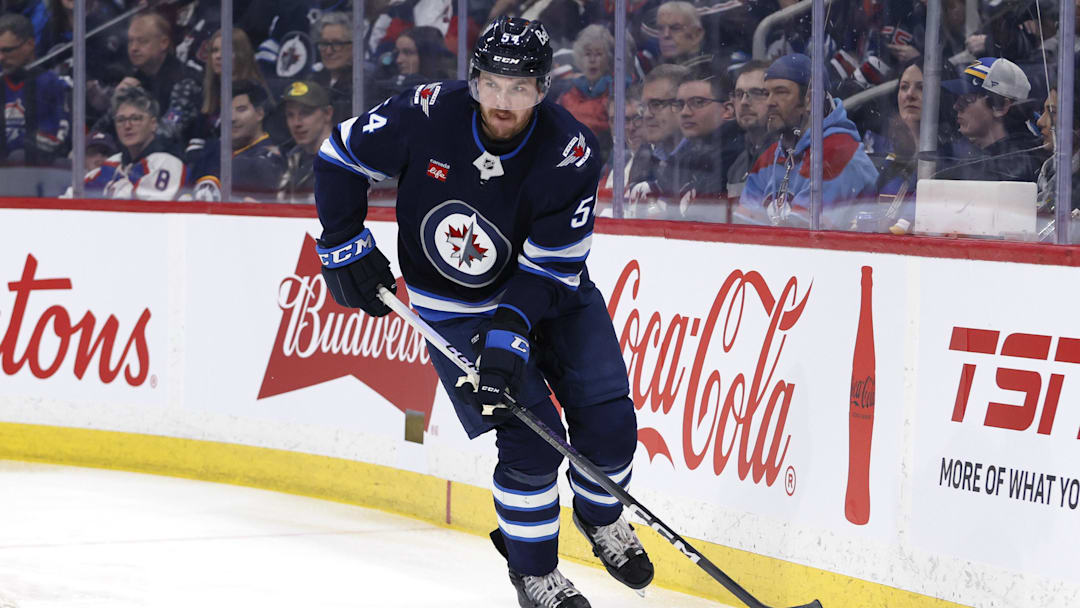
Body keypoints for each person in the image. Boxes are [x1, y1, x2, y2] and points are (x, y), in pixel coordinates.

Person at [312, 17, 653, 608]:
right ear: (473, 80)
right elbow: (338, 155)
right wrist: (344, 243)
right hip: (457, 311)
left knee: (611, 428)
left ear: (544, 90)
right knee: (532, 445)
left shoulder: (571, 153)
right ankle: (534, 574)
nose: (503, 101)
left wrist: (511, 334)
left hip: (554, 297)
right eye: (492, 83)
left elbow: (548, 271)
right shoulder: (424, 113)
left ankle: (600, 518)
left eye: (520, 88)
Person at [737, 53, 879, 229]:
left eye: (780, 92)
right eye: (766, 93)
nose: (769, 102)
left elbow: (804, 237)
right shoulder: (769, 157)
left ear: (811, 100)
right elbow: (743, 228)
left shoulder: (839, 154)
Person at [937, 57, 1046, 183]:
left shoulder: (1021, 161)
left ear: (1000, 107)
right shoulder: (969, 152)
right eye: (958, 98)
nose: (956, 106)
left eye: (967, 99)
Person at [81, 86, 186, 200]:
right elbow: (75, 194)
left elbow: (148, 212)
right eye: (121, 120)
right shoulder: (114, 163)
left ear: (153, 124)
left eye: (136, 119)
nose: (127, 126)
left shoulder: (166, 163)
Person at [190, 81, 285, 201]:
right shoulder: (212, 150)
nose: (232, 118)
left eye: (241, 109)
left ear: (260, 114)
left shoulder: (270, 159)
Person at [119, 11, 202, 145]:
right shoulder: (134, 79)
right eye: (131, 41)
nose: (133, 48)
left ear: (164, 43)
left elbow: (168, 131)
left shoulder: (185, 80)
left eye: (142, 41)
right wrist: (117, 101)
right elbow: (106, 128)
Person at [667, 71, 743, 218]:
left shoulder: (734, 156)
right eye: (680, 104)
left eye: (698, 102)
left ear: (727, 110)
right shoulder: (683, 157)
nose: (685, 112)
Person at [0, 13, 69, 166]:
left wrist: (20, 147)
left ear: (29, 45)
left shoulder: (50, 83)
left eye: (7, 50)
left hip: (37, 172)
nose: (1, 58)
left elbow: (57, 137)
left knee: (18, 156)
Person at [626, 63, 689, 216]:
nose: (647, 115)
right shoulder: (645, 155)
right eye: (644, 107)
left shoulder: (705, 158)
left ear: (681, 104)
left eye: (656, 104)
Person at [556, 25, 615, 144]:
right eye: (588, 54)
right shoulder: (569, 91)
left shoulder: (615, 90)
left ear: (608, 59)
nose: (592, 60)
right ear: (580, 58)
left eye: (598, 54)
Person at [278, 80, 334, 202]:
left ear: (328, 114)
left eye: (305, 113)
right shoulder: (291, 159)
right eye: (290, 115)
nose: (296, 123)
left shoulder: (345, 160)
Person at [727, 59, 771, 199]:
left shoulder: (789, 158)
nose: (744, 102)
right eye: (739, 94)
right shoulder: (737, 166)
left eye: (756, 93)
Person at [310, 12, 354, 123]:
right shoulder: (314, 80)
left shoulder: (362, 84)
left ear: (352, 46)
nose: (328, 51)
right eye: (324, 44)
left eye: (337, 43)